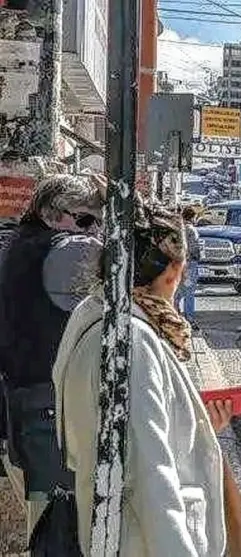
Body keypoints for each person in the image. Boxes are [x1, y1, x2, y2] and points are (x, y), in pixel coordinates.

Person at [52, 199, 234, 556]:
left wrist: (196, 427)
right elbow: (152, 475)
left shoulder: (94, 313)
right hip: (143, 542)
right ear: (173, 271)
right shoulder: (132, 341)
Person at [0, 173, 104, 544]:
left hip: (25, 408)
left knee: (47, 526)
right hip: (49, 414)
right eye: (86, 219)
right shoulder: (63, 252)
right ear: (49, 213)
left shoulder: (18, 245)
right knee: (61, 531)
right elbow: (137, 262)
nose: (93, 230)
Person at [176, 206, 200, 322]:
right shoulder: (191, 230)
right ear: (192, 217)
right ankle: (189, 317)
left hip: (178, 263)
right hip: (189, 264)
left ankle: (175, 313)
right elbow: (193, 248)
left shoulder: (178, 228)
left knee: (179, 291)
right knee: (189, 292)